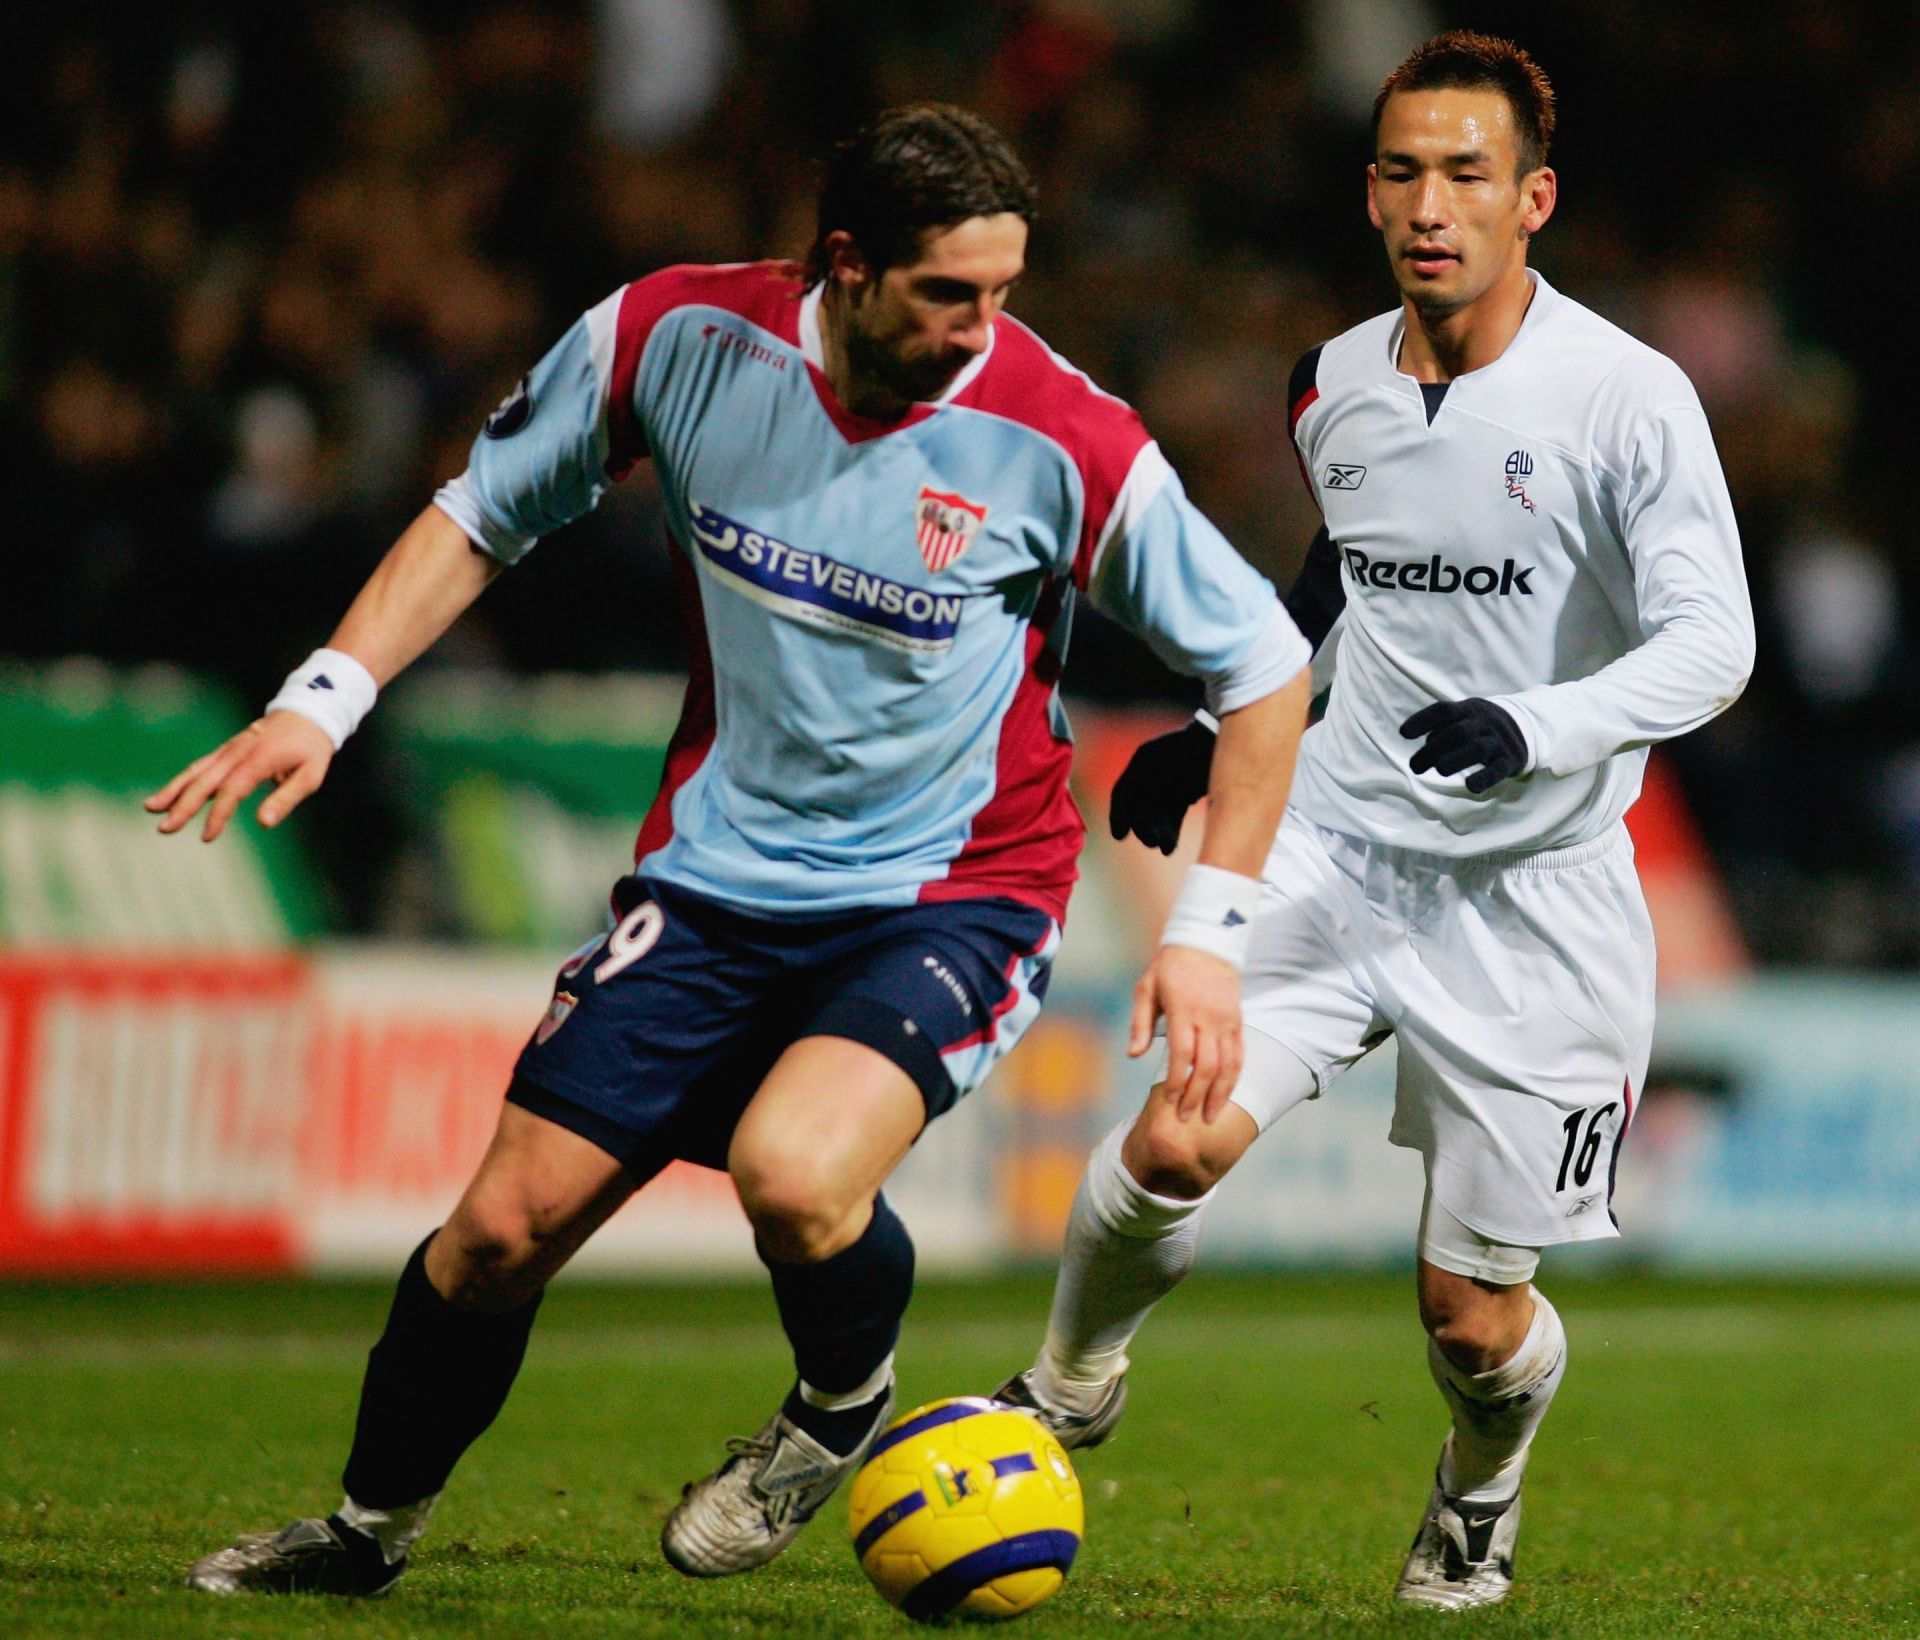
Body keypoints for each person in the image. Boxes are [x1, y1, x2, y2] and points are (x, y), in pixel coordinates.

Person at [155, 103, 1313, 1598]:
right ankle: (366, 1532)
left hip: (952, 892)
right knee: (499, 1229)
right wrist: (326, 700)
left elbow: (1267, 668)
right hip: (712, 882)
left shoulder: (1061, 435)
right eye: (949, 293)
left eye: (1006, 291)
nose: (984, 326)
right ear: (846, 262)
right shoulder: (673, 338)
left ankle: (838, 1410)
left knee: (792, 1173)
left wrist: (1206, 939)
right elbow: (480, 511)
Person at [993, 32, 1754, 1612]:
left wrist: (1536, 725)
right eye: (1404, 171)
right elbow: (1345, 575)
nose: (1432, 204)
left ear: (1533, 198)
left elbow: (1713, 642)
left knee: (1469, 1321)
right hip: (1338, 850)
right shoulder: (1332, 380)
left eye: (1469, 174)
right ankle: (1063, 1389)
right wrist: (1219, 730)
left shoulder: (1628, 397)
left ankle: (1480, 1491)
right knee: (1173, 1140)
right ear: (1369, 192)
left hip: (1537, 897)